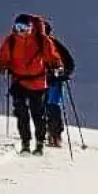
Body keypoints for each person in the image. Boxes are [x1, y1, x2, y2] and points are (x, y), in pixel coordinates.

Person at [0, 13, 63, 154]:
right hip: (19, 81)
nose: (20, 31)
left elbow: (51, 56)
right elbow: (2, 58)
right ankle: (25, 143)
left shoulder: (42, 40)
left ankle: (39, 143)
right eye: (17, 27)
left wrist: (57, 66)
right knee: (21, 113)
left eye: (24, 28)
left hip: (38, 82)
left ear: (31, 28)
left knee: (37, 114)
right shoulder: (10, 41)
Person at [41, 20, 76, 148]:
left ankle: (53, 135)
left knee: (51, 107)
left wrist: (63, 73)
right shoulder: (33, 45)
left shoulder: (54, 44)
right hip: (42, 82)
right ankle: (52, 135)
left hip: (52, 82)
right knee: (48, 107)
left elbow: (69, 64)